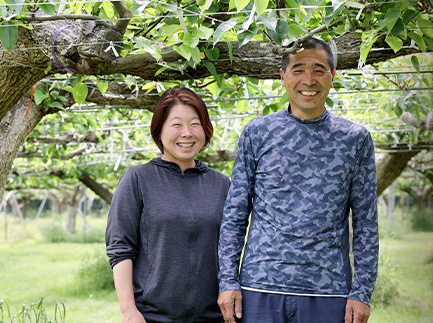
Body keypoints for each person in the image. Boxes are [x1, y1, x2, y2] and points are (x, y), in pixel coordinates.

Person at [217, 37, 379, 323]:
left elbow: (366, 221)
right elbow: (235, 213)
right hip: (259, 287)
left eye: (319, 69)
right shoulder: (258, 133)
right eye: (298, 69)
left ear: (333, 77)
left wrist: (362, 292)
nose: (309, 80)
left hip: (328, 291)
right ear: (282, 77)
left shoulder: (355, 139)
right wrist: (228, 281)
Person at [106, 87, 230, 322]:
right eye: (176, 125)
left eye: (195, 123)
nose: (187, 133)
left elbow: (232, 249)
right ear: (159, 131)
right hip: (152, 317)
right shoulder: (138, 179)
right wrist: (128, 310)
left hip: (213, 317)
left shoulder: (221, 184)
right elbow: (120, 248)